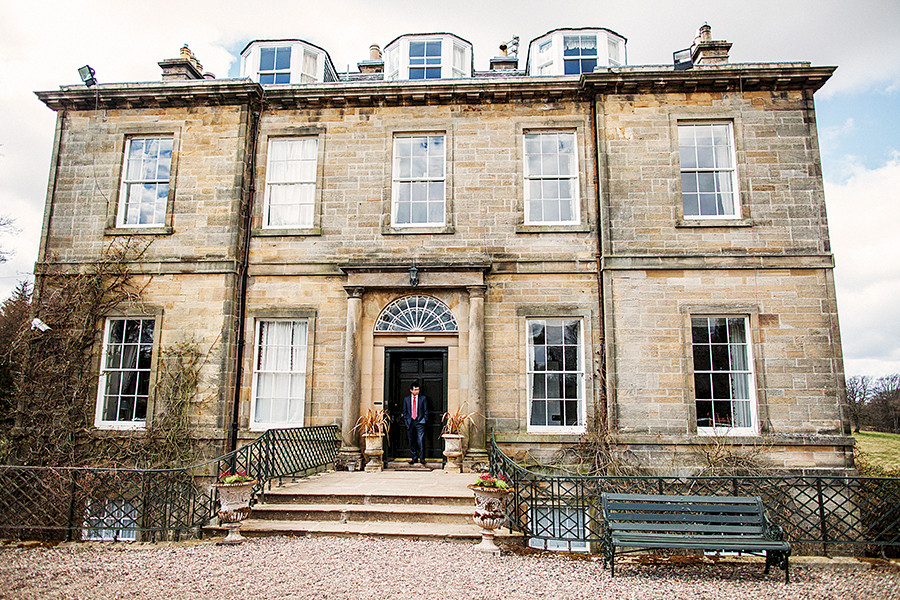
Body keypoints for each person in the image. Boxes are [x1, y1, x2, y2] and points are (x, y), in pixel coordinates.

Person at [402, 382, 428, 466]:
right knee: (411, 441)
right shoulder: (406, 399)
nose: (417, 391)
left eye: (418, 389)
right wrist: (406, 421)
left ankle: (422, 458)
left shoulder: (423, 398)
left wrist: (424, 420)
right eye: (415, 389)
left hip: (420, 422)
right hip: (410, 422)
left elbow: (425, 411)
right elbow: (405, 412)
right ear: (411, 390)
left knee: (420, 440)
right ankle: (414, 458)